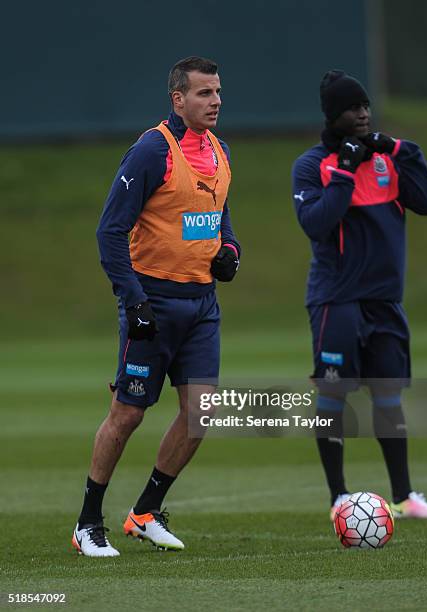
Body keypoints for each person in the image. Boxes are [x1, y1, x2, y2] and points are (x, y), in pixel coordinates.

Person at [72, 56, 240, 557]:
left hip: (201, 306)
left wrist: (230, 251)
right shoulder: (151, 151)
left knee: (199, 414)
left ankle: (145, 512)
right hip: (153, 304)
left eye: (217, 92)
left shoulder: (220, 150)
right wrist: (134, 301)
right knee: (126, 416)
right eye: (204, 93)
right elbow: (110, 232)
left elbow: (217, 217)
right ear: (178, 99)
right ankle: (86, 524)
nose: (215, 101)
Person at [292, 69, 427, 520]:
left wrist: (395, 149)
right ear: (334, 115)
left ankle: (406, 496)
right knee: (334, 395)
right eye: (353, 108)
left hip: (385, 302)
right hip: (337, 300)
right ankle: (338, 495)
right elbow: (318, 223)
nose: (363, 114)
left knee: (389, 395)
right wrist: (345, 169)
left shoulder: (386, 159)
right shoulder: (311, 165)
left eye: (366, 106)